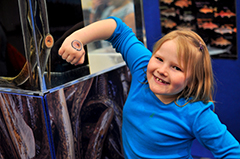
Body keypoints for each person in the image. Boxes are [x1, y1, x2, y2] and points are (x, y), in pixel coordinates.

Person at [58, 17, 240, 158]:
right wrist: (76, 39)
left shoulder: (196, 113)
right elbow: (117, 29)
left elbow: (232, 152)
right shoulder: (143, 68)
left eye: (176, 67)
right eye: (159, 58)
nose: (162, 70)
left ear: (192, 81)